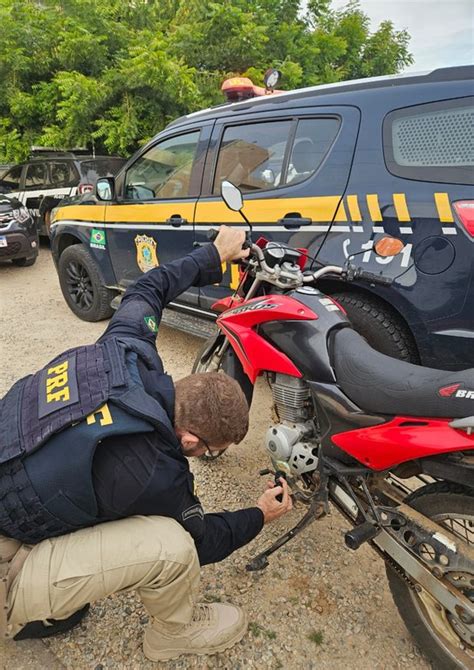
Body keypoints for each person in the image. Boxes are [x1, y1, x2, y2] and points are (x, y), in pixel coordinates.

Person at [0, 227, 293, 662]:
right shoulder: (157, 472)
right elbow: (203, 541)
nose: (206, 456)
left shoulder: (126, 348)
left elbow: (149, 287)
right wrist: (261, 514)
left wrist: (214, 252)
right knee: (170, 546)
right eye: (211, 451)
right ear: (192, 440)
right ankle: (171, 636)